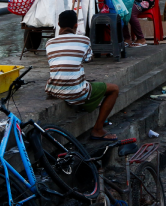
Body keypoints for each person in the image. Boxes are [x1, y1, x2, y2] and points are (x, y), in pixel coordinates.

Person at [46, 10, 120, 141]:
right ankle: (97, 129)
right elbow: (88, 59)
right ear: (76, 26)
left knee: (84, 81)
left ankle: (90, 102)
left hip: (53, 89)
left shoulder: (49, 43)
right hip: (75, 91)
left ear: (58, 24)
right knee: (114, 89)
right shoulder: (84, 40)